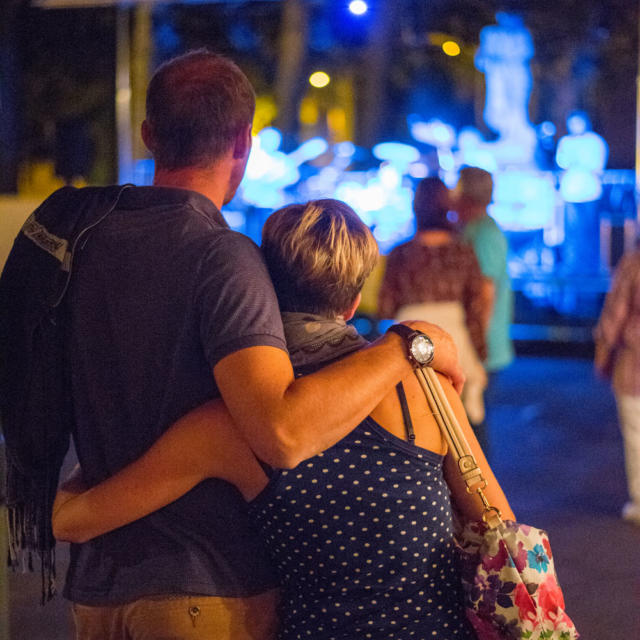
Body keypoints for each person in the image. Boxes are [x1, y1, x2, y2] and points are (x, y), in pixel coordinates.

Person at [1, 50, 463, 639]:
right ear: (244, 142)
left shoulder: (83, 243)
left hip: (95, 588)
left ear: (148, 136)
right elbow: (281, 432)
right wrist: (407, 346)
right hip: (202, 586)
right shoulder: (224, 257)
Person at [52, 199, 515, 640]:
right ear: (353, 302)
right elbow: (502, 530)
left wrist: (91, 455)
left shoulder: (234, 422)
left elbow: (71, 520)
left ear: (263, 289)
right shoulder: (425, 390)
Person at [378, 177, 489, 428]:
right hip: (456, 347)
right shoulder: (463, 251)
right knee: (463, 430)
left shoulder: (400, 254)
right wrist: (480, 353)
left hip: (407, 349)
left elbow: (384, 307)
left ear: (415, 207)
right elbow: (476, 307)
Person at [452, 167, 515, 457]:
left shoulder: (483, 233)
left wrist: (477, 349)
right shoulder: (476, 229)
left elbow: (485, 294)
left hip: (482, 348)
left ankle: (479, 498)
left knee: (472, 428)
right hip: (482, 346)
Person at [594, 248, 640, 526]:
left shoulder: (634, 263)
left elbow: (615, 312)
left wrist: (603, 352)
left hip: (634, 366)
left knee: (637, 436)